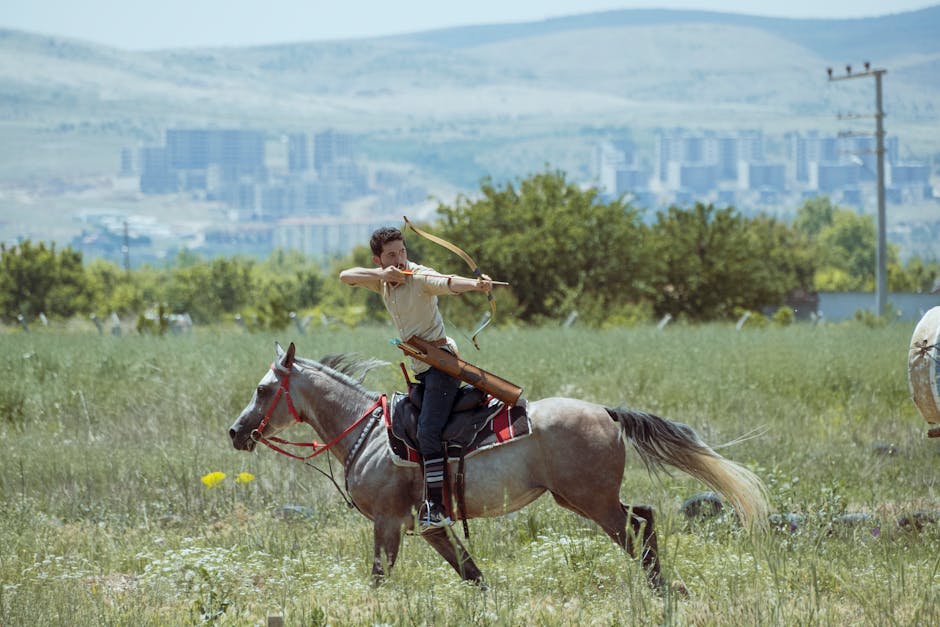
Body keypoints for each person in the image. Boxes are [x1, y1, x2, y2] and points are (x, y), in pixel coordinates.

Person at [340, 226, 492, 528]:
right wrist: (382, 277)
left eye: (403, 251)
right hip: (422, 370)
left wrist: (476, 284)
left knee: (427, 433)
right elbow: (346, 276)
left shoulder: (419, 276)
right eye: (392, 255)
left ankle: (437, 508)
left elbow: (445, 282)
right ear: (378, 260)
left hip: (442, 366)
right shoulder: (382, 282)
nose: (400, 260)